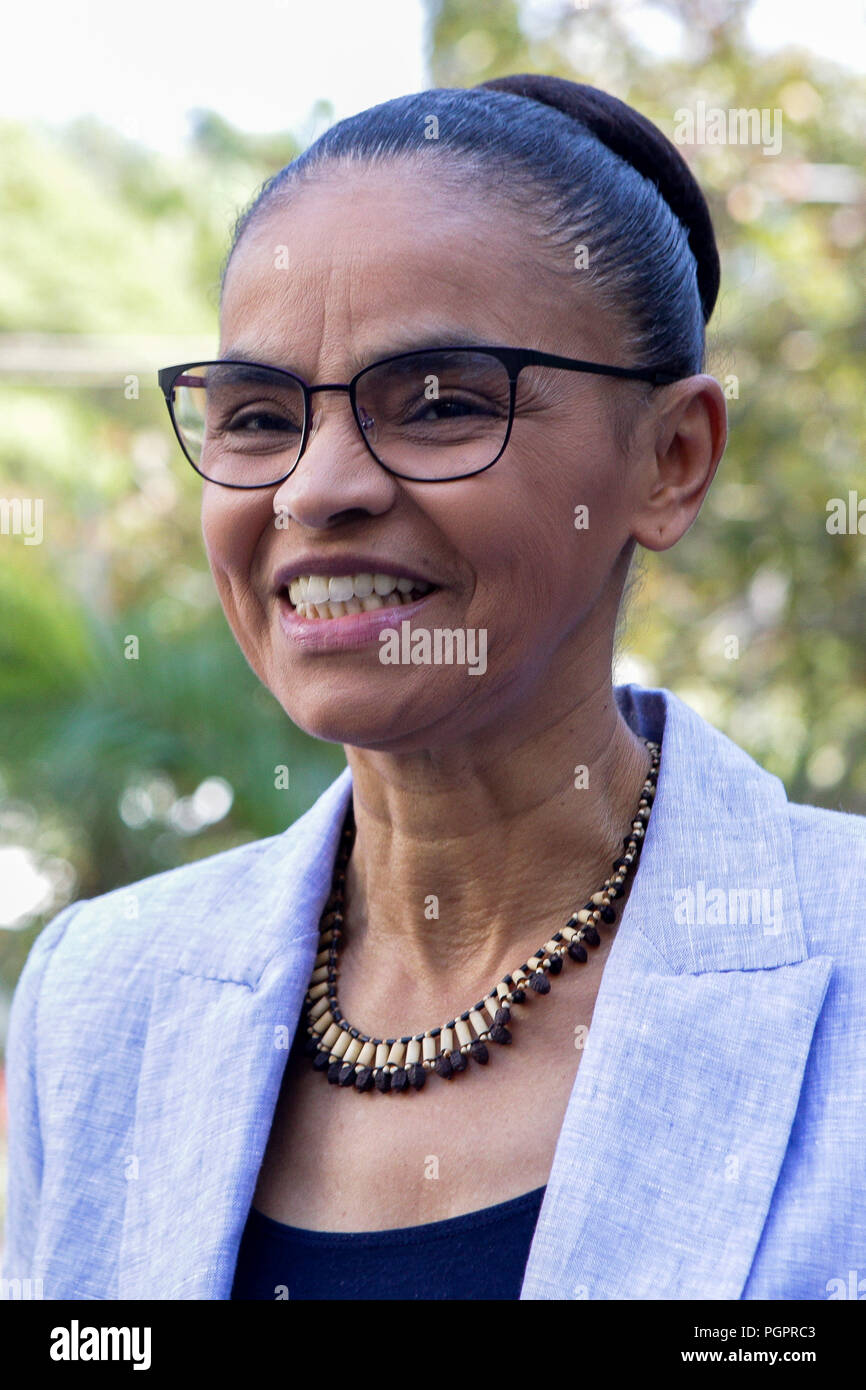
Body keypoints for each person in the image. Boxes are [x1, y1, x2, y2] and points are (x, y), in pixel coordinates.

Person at [4, 74, 865, 1303]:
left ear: (669, 461)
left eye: (442, 404)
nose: (316, 488)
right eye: (256, 417)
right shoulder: (102, 995)